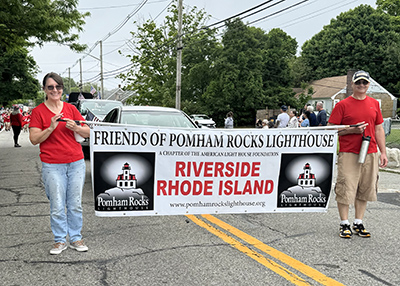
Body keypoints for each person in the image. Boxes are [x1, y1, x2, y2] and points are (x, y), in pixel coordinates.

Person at [29, 72, 91, 254]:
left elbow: (87, 132)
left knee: (75, 203)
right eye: (50, 87)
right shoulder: (38, 112)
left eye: (58, 87)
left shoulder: (71, 109)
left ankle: (76, 238)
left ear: (62, 89)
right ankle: (59, 240)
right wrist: (50, 127)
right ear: (45, 90)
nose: (55, 90)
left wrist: (76, 127)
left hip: (76, 162)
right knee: (57, 203)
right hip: (52, 164)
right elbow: (34, 139)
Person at [328, 70, 388, 239]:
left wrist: (383, 152)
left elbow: (378, 128)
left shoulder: (374, 104)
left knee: (365, 187)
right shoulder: (342, 105)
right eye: (358, 83)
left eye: (365, 83)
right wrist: (351, 130)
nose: (362, 85)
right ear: (352, 85)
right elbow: (330, 128)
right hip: (349, 152)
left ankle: (358, 222)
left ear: (369, 85)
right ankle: (344, 223)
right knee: (346, 186)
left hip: (370, 151)